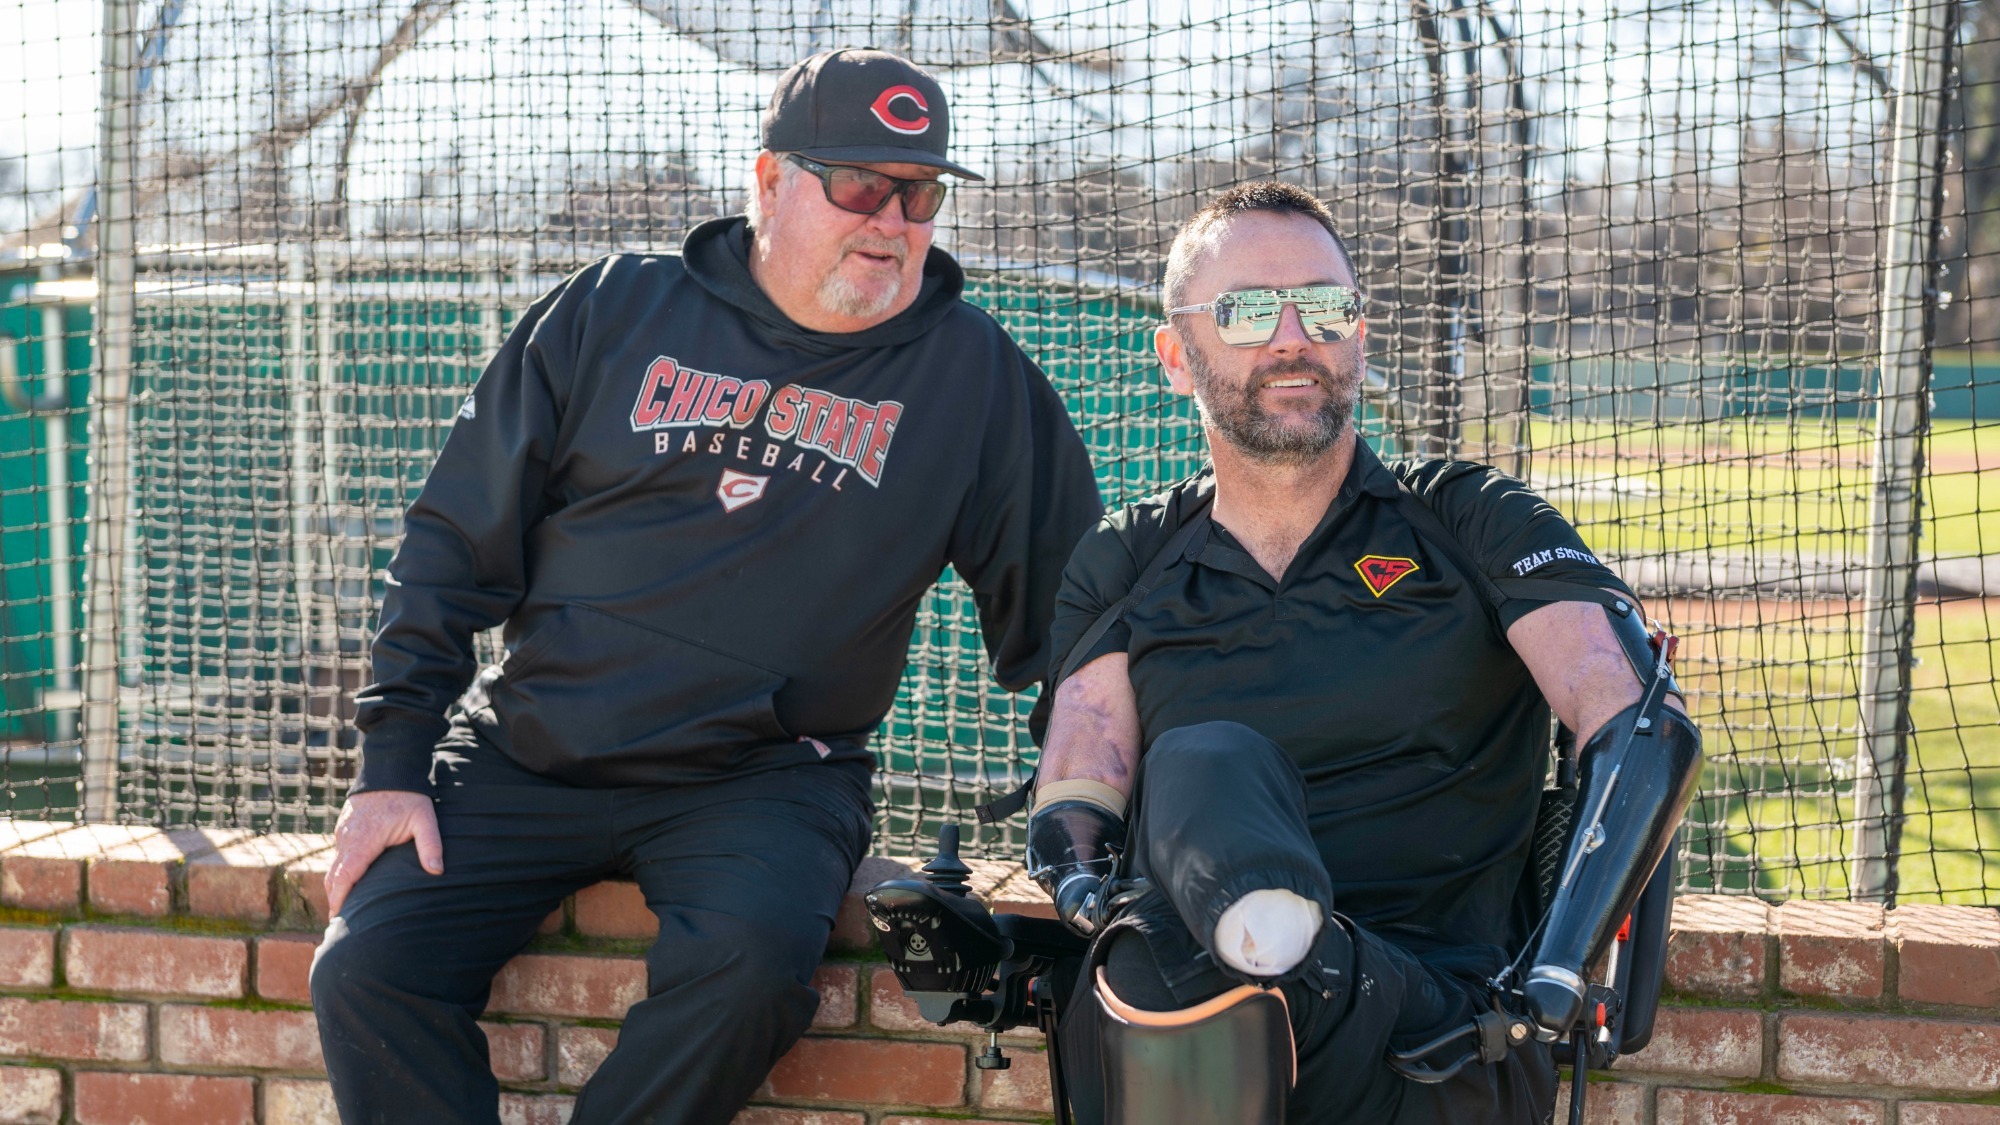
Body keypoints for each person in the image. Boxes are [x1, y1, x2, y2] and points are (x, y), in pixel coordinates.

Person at [309, 48, 1102, 1125]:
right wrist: (391, 762)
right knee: (365, 967)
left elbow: (1069, 624)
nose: (893, 221)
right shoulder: (613, 311)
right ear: (769, 182)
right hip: (532, 752)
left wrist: (1104, 812)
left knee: (746, 969)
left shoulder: (973, 378)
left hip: (760, 781)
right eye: (861, 185)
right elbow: (454, 541)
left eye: (920, 194)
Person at [1025, 182, 1701, 1124]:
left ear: (1363, 331)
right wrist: (1081, 892)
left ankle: (1265, 947)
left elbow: (1639, 723)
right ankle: (1258, 939)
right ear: (1177, 356)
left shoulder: (1471, 520)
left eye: (1328, 304)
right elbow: (1079, 780)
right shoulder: (1128, 561)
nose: (1294, 335)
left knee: (1195, 792)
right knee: (1196, 806)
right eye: (1252, 309)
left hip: (1434, 1029)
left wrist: (1559, 964)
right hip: (1188, 996)